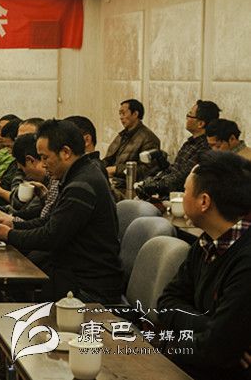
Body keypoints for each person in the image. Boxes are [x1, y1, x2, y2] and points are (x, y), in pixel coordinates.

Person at [0, 119, 123, 304]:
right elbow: (50, 221)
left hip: (88, 286)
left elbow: (51, 236)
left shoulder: (82, 185)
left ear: (65, 152)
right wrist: (13, 224)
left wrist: (10, 235)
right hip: (71, 271)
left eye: (45, 157)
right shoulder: (79, 174)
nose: (43, 165)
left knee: (8, 277)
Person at [157, 151, 251, 380]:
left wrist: (169, 344)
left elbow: (215, 352)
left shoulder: (245, 261)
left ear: (204, 202)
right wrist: (212, 326)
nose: (182, 196)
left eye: (185, 191)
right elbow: (167, 302)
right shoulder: (206, 243)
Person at [137, 100, 220, 199]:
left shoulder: (204, 147)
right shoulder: (189, 143)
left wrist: (155, 185)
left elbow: (182, 178)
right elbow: (173, 170)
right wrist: (152, 181)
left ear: (200, 124)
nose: (187, 118)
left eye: (189, 115)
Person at [102, 99, 161, 189]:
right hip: (112, 183)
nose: (121, 117)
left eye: (123, 113)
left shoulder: (149, 138)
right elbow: (108, 159)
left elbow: (147, 170)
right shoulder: (122, 136)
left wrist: (116, 170)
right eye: (120, 114)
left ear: (135, 114)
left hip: (128, 186)